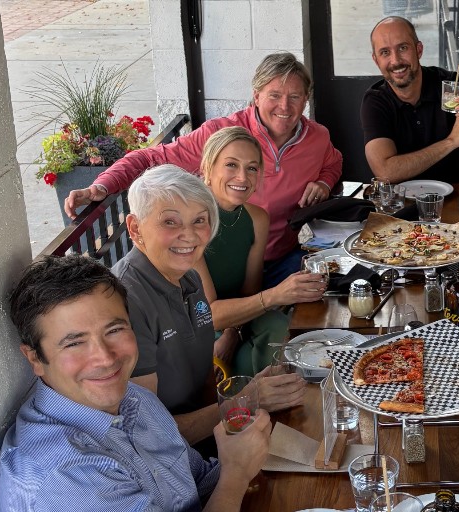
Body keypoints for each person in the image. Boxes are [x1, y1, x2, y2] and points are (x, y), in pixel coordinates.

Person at [0, 254, 270, 511]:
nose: (105, 358)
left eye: (114, 330)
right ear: (35, 358)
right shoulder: (62, 474)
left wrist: (246, 453)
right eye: (74, 343)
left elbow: (197, 481)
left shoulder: (137, 399)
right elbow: (228, 480)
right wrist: (235, 473)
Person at [64, 52, 343, 288]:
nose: (284, 106)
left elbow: (333, 162)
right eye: (274, 95)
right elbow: (149, 158)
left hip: (281, 260)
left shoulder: (317, 138)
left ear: (306, 99)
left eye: (295, 96)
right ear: (256, 96)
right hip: (217, 267)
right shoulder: (221, 133)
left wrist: (324, 183)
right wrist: (101, 186)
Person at [112, 165, 304, 446]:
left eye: (199, 220)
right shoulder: (125, 302)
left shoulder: (189, 276)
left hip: (207, 437)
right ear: (135, 228)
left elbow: (204, 379)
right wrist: (247, 400)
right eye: (170, 222)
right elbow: (148, 436)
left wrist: (248, 396)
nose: (189, 235)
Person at [193, 126, 325, 375]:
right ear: (208, 168)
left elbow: (249, 293)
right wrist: (277, 295)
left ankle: (263, 390)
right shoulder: (192, 222)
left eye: (252, 168)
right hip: (195, 326)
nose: (242, 177)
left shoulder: (256, 219)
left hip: (235, 322)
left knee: (280, 327)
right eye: (231, 165)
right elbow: (209, 314)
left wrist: (233, 332)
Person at [362, 16, 459, 184]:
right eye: (385, 52)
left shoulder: (451, 85)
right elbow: (385, 172)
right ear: (376, 60)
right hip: (406, 199)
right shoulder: (376, 101)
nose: (395, 61)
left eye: (403, 48)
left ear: (419, 50)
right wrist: (451, 142)